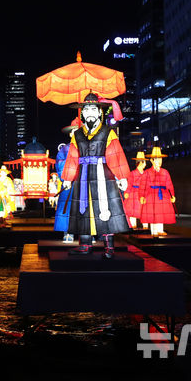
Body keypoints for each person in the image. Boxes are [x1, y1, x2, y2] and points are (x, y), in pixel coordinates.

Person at [60, 93, 130, 258]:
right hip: (82, 175)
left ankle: (109, 246)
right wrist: (68, 178)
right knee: (83, 209)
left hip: (103, 174)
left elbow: (115, 154)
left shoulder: (108, 132)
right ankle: (85, 245)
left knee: (105, 208)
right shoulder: (77, 135)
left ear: (99, 112)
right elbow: (73, 157)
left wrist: (121, 176)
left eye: (93, 109)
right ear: (82, 114)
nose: (89, 112)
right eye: (86, 109)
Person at [139, 147, 176, 236]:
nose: (159, 161)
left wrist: (172, 195)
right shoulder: (147, 172)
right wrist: (142, 196)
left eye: (160, 159)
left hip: (163, 195)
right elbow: (143, 185)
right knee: (153, 214)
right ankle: (154, 232)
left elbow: (169, 185)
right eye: (157, 159)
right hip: (151, 195)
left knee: (161, 213)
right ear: (152, 160)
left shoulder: (165, 172)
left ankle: (160, 230)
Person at [55, 117, 81, 243]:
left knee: (86, 208)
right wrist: (66, 177)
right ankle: (68, 232)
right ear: (71, 134)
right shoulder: (64, 149)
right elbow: (60, 164)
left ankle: (88, 234)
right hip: (69, 182)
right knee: (68, 208)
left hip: (84, 181)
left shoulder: (87, 147)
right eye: (75, 132)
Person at [124, 151, 148, 230]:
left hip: (143, 193)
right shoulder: (133, 173)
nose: (145, 164)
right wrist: (127, 192)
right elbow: (130, 184)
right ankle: (133, 227)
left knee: (144, 211)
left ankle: (145, 227)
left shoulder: (146, 174)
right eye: (144, 162)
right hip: (134, 194)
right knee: (133, 212)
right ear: (140, 163)